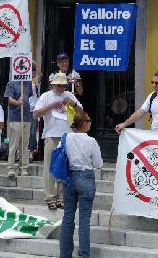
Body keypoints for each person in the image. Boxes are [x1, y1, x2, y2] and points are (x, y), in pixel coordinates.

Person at [33, 72, 83, 210]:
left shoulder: (69, 96)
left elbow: (81, 112)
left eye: (63, 85)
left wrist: (72, 104)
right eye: (58, 85)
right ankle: (50, 197)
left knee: (64, 168)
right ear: (53, 85)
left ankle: (61, 197)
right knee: (49, 167)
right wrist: (52, 105)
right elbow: (35, 114)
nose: (61, 88)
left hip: (67, 136)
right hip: (51, 135)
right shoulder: (45, 96)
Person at [59, 109, 103, 258]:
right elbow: (99, 163)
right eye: (89, 121)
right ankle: (84, 254)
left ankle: (64, 254)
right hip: (85, 176)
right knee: (84, 218)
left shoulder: (65, 138)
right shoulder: (90, 140)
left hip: (69, 177)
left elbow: (60, 156)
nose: (90, 123)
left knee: (67, 217)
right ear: (84, 123)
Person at [4, 78, 32, 178]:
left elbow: (30, 97)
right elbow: (9, 99)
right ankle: (11, 168)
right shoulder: (11, 83)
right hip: (15, 117)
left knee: (24, 144)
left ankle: (23, 168)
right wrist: (17, 102)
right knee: (13, 144)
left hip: (27, 117)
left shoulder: (28, 83)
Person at [28, 63, 41, 161]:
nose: (33, 72)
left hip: (34, 110)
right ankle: (22, 152)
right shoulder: (23, 80)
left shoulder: (36, 81)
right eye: (31, 70)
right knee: (24, 132)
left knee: (32, 132)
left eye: (34, 70)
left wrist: (34, 63)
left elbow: (40, 74)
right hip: (24, 109)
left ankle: (31, 152)